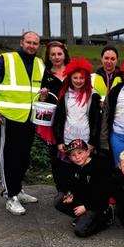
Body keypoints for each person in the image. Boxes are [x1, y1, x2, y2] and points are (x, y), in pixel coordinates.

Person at [0, 31, 44, 215]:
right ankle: (10, 196)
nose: (32, 46)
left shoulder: (39, 63)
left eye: (35, 43)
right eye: (29, 42)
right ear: (21, 42)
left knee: (24, 158)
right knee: (9, 158)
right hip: (9, 118)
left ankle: (18, 189)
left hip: (29, 119)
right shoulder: (6, 59)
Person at [53, 139, 112, 237]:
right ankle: (83, 217)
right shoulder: (74, 166)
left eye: (80, 153)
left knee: (80, 231)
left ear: (88, 152)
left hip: (97, 204)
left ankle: (105, 219)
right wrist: (70, 194)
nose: (77, 157)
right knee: (59, 200)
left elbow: (102, 193)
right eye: (73, 155)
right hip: (83, 200)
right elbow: (72, 184)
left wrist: (86, 207)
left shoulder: (99, 166)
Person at [53, 57, 102, 169]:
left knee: (86, 166)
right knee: (69, 167)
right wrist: (59, 141)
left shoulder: (92, 96)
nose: (78, 81)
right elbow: (59, 119)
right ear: (70, 78)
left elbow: (96, 121)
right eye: (75, 77)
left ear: (86, 79)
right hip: (68, 138)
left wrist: (92, 142)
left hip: (85, 139)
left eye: (81, 78)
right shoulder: (65, 95)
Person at [37, 41, 70, 195]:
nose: (56, 57)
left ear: (64, 55)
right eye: (53, 54)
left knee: (74, 152)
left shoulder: (72, 71)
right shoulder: (47, 74)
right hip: (54, 122)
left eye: (59, 54)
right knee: (55, 155)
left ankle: (75, 189)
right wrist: (43, 96)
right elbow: (42, 101)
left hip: (72, 119)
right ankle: (61, 190)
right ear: (48, 57)